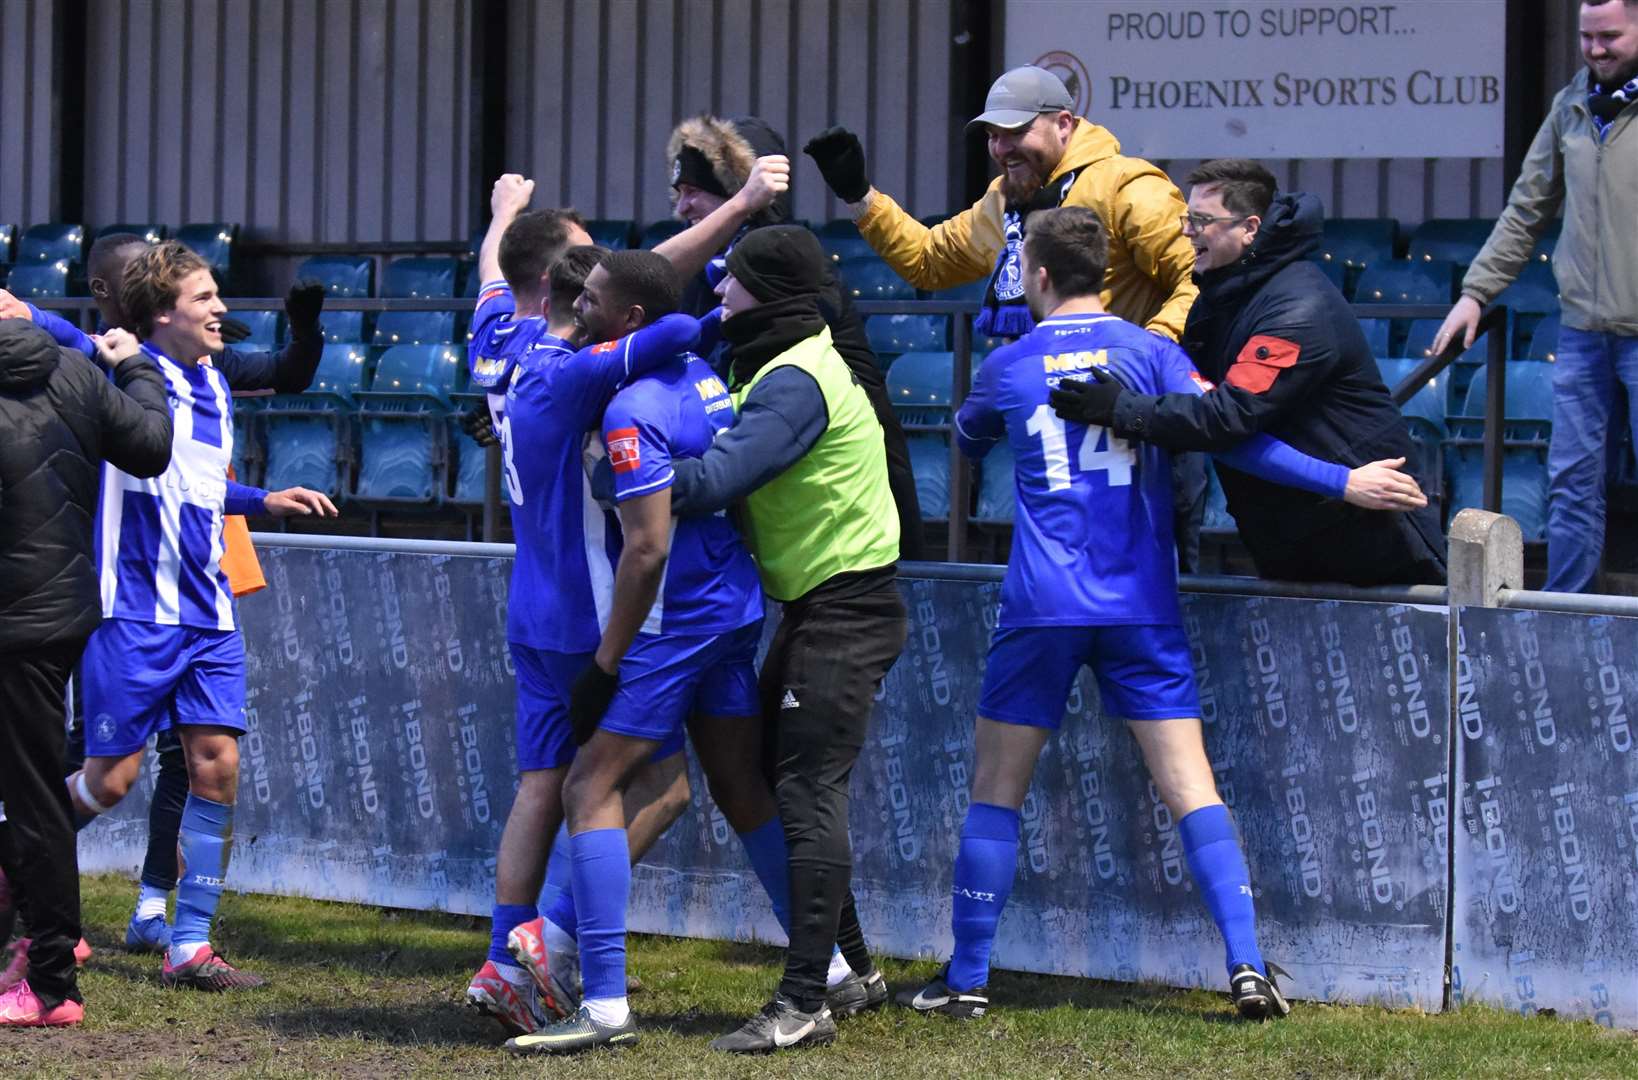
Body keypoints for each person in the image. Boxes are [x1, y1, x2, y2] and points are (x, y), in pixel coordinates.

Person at [899, 206, 1424, 1025]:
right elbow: (1234, 438)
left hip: (1042, 606)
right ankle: (1247, 965)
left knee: (997, 792)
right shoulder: (1152, 354)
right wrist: (1342, 481)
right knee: (1192, 789)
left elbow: (965, 440)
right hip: (1142, 602)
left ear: (1035, 275)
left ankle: (966, 977)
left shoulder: (1009, 365)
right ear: (1105, 272)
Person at [505, 251, 802, 1054]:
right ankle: (829, 964)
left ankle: (596, 997)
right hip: (735, 608)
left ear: (628, 321)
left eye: (594, 300)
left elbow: (646, 552)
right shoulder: (702, 373)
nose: (579, 312)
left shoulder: (628, 406)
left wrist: (605, 666)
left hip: (674, 625)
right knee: (734, 784)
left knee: (587, 784)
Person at [2, 232, 328, 954]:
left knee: (217, 767)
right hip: (133, 610)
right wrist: (16, 305)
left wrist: (264, 500)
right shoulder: (120, 365)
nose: (222, 308)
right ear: (160, 316)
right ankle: (14, 855)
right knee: (108, 782)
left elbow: (200, 489)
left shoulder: (216, 380)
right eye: (206, 298)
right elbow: (45, 325)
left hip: (209, 609)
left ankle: (190, 944)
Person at [619, 226, 902, 1053]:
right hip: (817, 606)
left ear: (769, 293)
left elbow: (714, 481)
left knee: (809, 793)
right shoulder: (779, 354)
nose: (718, 294)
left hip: (844, 608)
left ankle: (806, 999)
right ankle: (855, 973)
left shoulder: (795, 383)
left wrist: (620, 468)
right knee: (789, 786)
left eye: (732, 282)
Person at [803, 66, 1204, 563]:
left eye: (1015, 132)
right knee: (1063, 571)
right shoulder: (1005, 202)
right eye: (993, 136)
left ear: (1064, 123)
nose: (1001, 148)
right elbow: (930, 260)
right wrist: (861, 197)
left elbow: (1197, 277)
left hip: (1136, 423)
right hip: (1060, 430)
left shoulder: (1128, 185)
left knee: (1154, 578)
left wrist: (1144, 361)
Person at [462, 245, 703, 1035]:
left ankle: (504, 961)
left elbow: (494, 284)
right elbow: (669, 327)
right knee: (658, 787)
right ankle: (553, 944)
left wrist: (500, 219)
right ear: (580, 301)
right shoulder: (578, 371)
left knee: (541, 785)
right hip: (580, 616)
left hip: (527, 607)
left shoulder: (509, 345)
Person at [1051, 159, 1447, 586]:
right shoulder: (1223, 292)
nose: (1187, 231)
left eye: (1201, 220)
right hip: (1294, 527)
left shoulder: (1296, 311)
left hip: (1368, 534)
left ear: (1250, 228)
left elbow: (1226, 417)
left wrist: (1124, 410)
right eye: (1187, 218)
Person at [1429, 0, 1638, 592]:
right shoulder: (1570, 105)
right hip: (1583, 330)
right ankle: (1563, 614)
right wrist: (1476, 292)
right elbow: (1526, 209)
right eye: (1586, 36)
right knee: (1571, 480)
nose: (1596, 49)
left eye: (1611, 36)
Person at [0, 318, 173, 1027]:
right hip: (57, 615)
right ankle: (45, 962)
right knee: (35, 794)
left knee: (33, 800)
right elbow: (152, 447)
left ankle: (49, 982)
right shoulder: (75, 371)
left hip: (17, 621)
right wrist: (137, 367)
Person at [654, 114, 926, 558]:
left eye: (694, 192)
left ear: (740, 195)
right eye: (678, 193)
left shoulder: (782, 258)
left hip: (831, 513)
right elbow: (640, 280)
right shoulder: (707, 270)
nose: (682, 208)